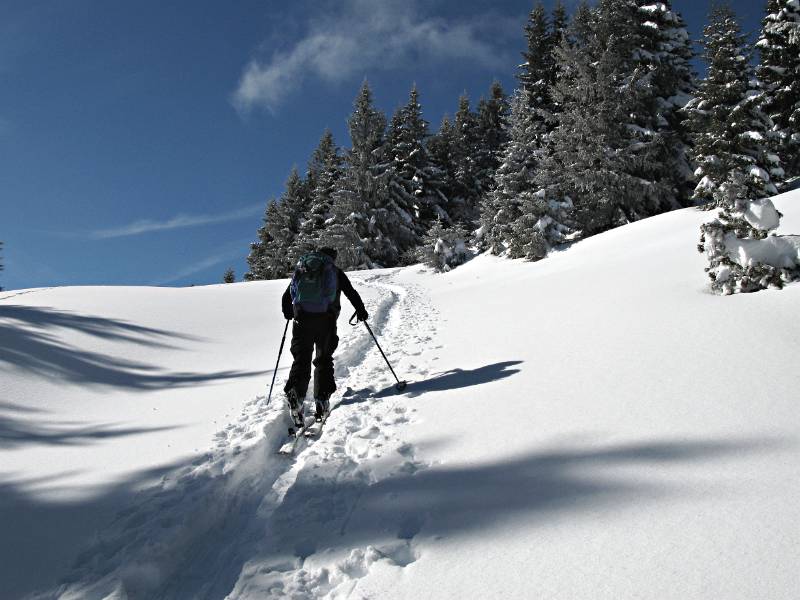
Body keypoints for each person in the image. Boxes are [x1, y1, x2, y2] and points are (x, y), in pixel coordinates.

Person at [281, 246, 368, 427]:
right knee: (323, 359)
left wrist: (289, 312)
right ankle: (322, 400)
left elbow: (286, 296)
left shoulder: (303, 269)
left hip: (301, 320)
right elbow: (350, 292)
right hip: (326, 322)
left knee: (301, 358)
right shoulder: (334, 271)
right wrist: (361, 310)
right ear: (332, 258)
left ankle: (296, 397)